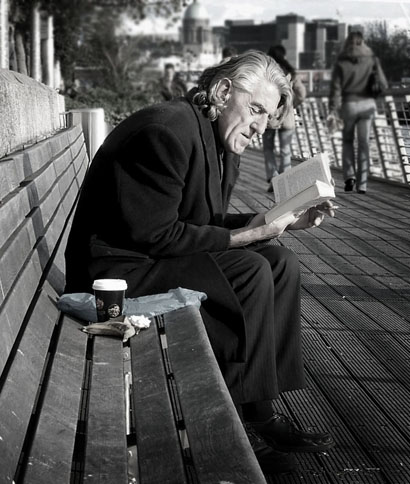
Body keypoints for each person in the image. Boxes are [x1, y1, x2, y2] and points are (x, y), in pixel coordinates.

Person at [64, 51, 336, 474]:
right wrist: (249, 235)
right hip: (115, 276)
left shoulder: (214, 137)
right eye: (256, 110)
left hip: (151, 257)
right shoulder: (165, 132)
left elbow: (202, 223)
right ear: (224, 91)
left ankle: (258, 409)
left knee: (279, 261)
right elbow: (155, 234)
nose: (260, 128)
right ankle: (218, 425)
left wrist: (279, 222)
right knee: (249, 271)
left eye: (266, 120)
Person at [329, 31, 388, 194]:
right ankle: (362, 184)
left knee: (347, 141)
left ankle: (349, 177)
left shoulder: (341, 62)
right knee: (364, 144)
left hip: (348, 105)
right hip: (367, 105)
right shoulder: (372, 59)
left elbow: (335, 89)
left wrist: (332, 108)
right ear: (363, 42)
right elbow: (383, 83)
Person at [263, 45, 306, 191]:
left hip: (270, 116)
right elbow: (302, 93)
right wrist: (291, 105)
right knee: (285, 150)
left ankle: (274, 177)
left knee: (268, 148)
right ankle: (285, 182)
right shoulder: (291, 73)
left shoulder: (267, 72)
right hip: (287, 117)